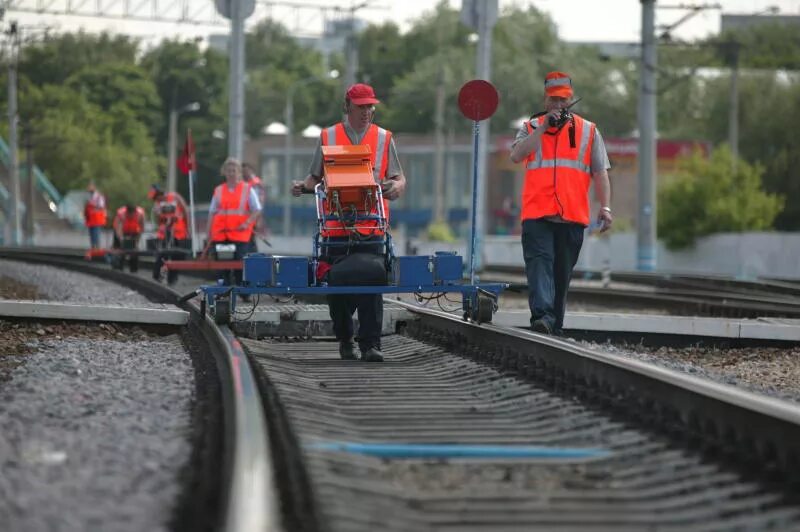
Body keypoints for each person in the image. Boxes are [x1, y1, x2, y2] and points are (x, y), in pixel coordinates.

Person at [292, 83, 407, 363]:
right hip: (335, 227)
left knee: (372, 283)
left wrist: (396, 187)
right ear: (348, 107)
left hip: (372, 226)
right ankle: (345, 339)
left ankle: (370, 345)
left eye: (371, 106)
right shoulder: (329, 135)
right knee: (338, 287)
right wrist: (301, 186)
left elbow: (399, 178)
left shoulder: (383, 138)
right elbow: (314, 177)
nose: (367, 111)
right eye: (362, 106)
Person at [509, 71, 613, 336]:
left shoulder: (589, 131)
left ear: (571, 101)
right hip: (537, 214)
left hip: (572, 216)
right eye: (553, 100)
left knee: (561, 273)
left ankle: (554, 324)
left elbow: (600, 171)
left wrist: (605, 207)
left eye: (563, 100)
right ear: (545, 101)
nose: (558, 105)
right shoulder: (530, 128)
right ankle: (542, 317)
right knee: (540, 264)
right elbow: (516, 155)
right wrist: (543, 128)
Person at [203, 157, 262, 286]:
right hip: (220, 234)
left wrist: (247, 223)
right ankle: (224, 289)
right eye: (228, 171)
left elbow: (256, 209)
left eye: (234, 171)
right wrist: (208, 235)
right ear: (224, 172)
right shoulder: (218, 190)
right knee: (221, 266)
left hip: (240, 235)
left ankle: (242, 289)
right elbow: (212, 213)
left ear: (239, 172)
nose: (231, 173)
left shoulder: (247, 189)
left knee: (240, 265)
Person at [148, 184, 191, 283]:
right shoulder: (157, 204)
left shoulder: (175, 197)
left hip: (179, 233)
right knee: (162, 255)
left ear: (159, 194)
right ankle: (157, 276)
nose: (155, 199)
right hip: (165, 234)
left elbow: (185, 211)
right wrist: (158, 214)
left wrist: (188, 229)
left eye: (155, 197)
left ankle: (172, 279)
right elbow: (159, 221)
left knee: (177, 256)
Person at [111, 203, 146, 272]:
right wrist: (121, 239)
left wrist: (136, 241)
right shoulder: (121, 214)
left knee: (134, 249)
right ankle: (118, 266)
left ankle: (133, 268)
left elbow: (141, 228)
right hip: (122, 230)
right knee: (120, 249)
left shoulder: (140, 214)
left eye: (132, 214)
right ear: (127, 212)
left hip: (133, 231)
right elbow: (118, 228)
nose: (131, 216)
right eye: (129, 214)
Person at [83, 182, 107, 250]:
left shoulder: (99, 196)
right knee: (91, 234)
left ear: (94, 187)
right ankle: (93, 247)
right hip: (90, 219)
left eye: (90, 187)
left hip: (97, 219)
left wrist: (93, 206)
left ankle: (97, 248)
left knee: (96, 233)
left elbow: (102, 206)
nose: (88, 188)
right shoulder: (89, 196)